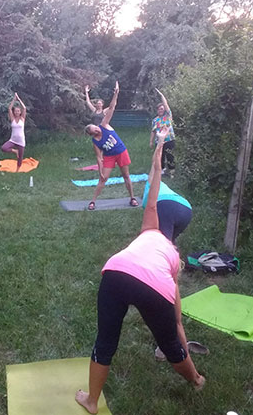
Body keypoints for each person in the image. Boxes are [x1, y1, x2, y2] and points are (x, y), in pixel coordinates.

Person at [75, 127, 205, 415]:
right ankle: (196, 380)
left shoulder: (148, 227)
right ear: (179, 257)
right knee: (169, 344)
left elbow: (154, 182)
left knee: (105, 340)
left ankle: (92, 401)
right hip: (153, 285)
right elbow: (177, 321)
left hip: (116, 272)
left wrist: (158, 150)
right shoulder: (172, 266)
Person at [84, 81, 138, 210]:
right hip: (109, 157)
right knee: (103, 179)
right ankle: (93, 201)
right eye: (94, 129)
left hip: (121, 152)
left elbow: (112, 107)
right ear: (92, 133)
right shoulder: (95, 142)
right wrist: (100, 171)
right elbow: (98, 157)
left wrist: (116, 94)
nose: (97, 128)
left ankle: (132, 198)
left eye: (95, 127)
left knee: (126, 176)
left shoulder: (104, 125)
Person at [142, 174, 192, 244]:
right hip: (186, 208)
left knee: (162, 243)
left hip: (166, 206)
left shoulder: (147, 198)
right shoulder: (161, 185)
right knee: (170, 241)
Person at [149, 88, 176, 176]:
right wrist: (151, 141)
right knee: (160, 156)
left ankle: (172, 172)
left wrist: (162, 96)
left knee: (170, 156)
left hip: (169, 140)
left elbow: (166, 104)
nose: (161, 110)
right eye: (160, 109)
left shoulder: (168, 116)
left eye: (162, 109)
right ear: (157, 110)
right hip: (159, 142)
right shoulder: (155, 120)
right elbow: (153, 132)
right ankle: (162, 171)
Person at [1, 92, 27, 172]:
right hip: (13, 140)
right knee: (4, 148)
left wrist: (18, 99)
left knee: (20, 157)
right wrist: (13, 99)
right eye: (15, 111)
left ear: (20, 112)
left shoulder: (22, 119)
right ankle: (15, 151)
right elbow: (9, 108)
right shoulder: (12, 119)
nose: (17, 112)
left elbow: (24, 108)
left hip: (21, 141)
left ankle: (17, 170)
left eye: (18, 111)